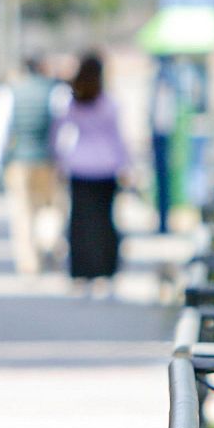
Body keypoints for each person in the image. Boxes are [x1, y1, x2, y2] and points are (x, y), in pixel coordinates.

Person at [0, 56, 67, 274]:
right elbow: (65, 129)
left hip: (19, 161)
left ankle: (29, 262)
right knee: (51, 208)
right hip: (49, 160)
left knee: (22, 212)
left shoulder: (8, 92)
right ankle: (48, 241)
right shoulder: (56, 90)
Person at [53, 53, 129, 295]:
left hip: (80, 166)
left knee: (81, 221)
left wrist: (59, 160)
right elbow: (118, 138)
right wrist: (126, 165)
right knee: (104, 221)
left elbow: (58, 132)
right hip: (105, 166)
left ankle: (81, 270)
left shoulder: (73, 101)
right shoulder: (108, 103)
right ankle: (104, 269)